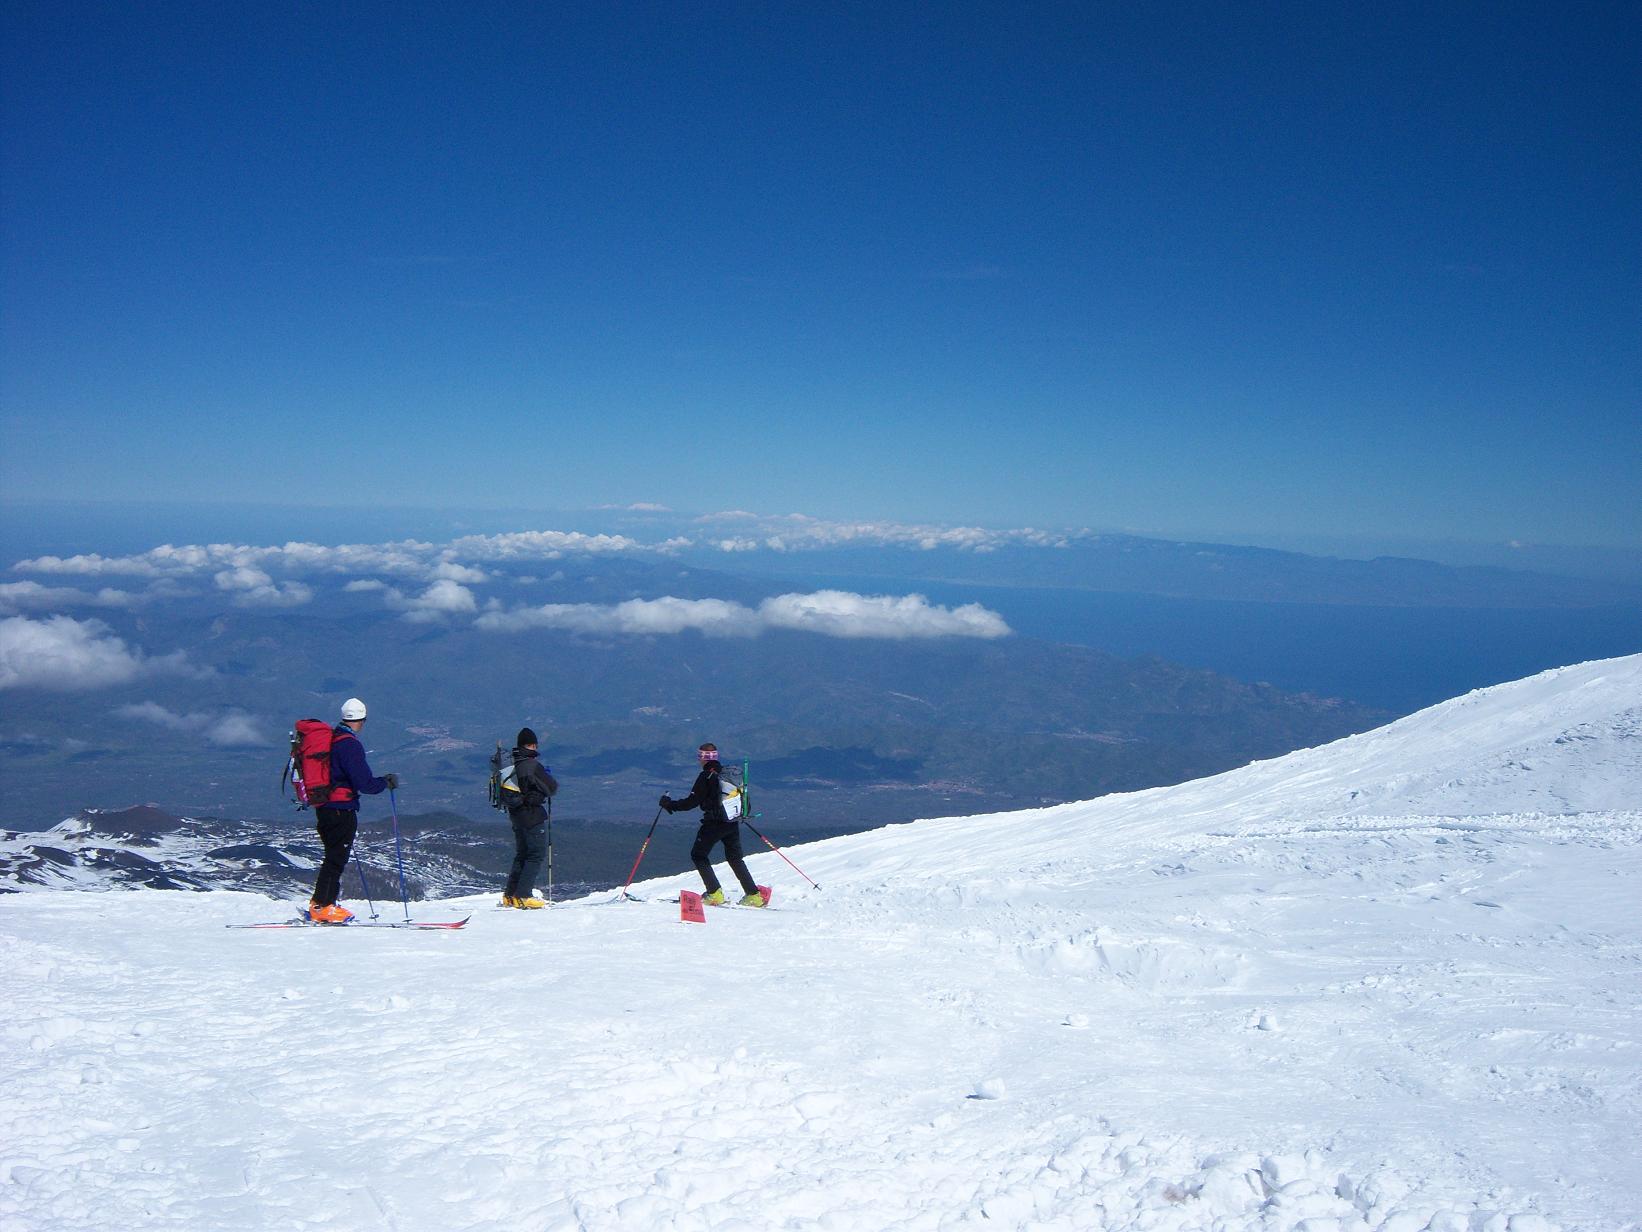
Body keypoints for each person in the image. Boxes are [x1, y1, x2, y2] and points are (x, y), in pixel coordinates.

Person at [309, 697, 397, 924]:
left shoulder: (332, 738)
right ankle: (324, 906)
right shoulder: (349, 744)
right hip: (341, 808)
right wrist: (384, 783)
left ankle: (320, 902)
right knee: (337, 858)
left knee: (331, 855)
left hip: (324, 806)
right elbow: (364, 782)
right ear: (362, 720)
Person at [660, 742, 763, 907]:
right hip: (732, 821)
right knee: (735, 858)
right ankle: (754, 895)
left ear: (701, 758)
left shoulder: (706, 776)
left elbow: (691, 802)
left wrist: (669, 804)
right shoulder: (726, 773)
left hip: (714, 823)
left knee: (699, 855)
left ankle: (714, 893)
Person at [501, 727, 558, 909]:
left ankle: (510, 895)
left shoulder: (512, 765)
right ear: (532, 745)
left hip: (516, 815)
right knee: (535, 855)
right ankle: (524, 895)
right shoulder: (531, 765)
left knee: (522, 854)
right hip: (531, 816)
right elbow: (552, 787)